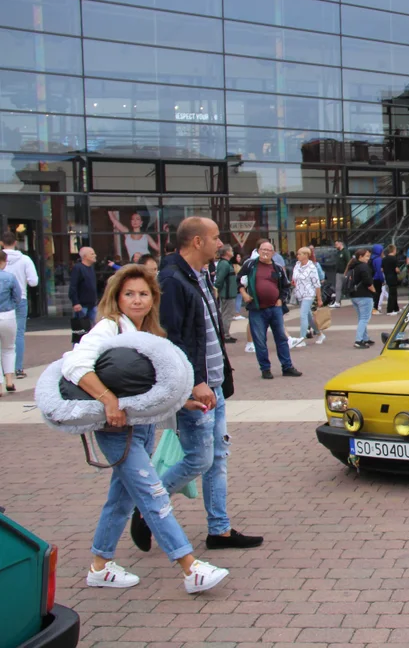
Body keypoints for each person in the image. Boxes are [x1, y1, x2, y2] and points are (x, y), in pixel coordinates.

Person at [64, 264, 229, 593]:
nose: (136, 300)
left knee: (120, 500)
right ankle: (189, 567)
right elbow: (74, 364)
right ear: (117, 297)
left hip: (139, 428)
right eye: (129, 294)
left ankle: (100, 566)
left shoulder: (150, 334)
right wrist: (108, 400)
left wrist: (183, 402)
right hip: (115, 429)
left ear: (153, 298)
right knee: (153, 494)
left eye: (143, 294)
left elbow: (150, 384)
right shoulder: (109, 328)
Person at [152, 218, 263, 553]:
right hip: (196, 388)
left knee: (217, 459)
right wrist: (194, 383)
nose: (221, 244)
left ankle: (220, 530)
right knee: (199, 460)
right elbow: (171, 339)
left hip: (212, 385)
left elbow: (207, 332)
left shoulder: (200, 276)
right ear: (197, 241)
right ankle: (145, 504)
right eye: (216, 238)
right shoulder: (172, 280)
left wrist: (215, 380)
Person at [237, 239, 302, 380]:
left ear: (273, 253)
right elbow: (238, 280)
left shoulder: (277, 267)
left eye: (268, 250)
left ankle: (287, 366)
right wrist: (244, 294)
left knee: (281, 338)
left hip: (275, 308)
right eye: (263, 249)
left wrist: (280, 300)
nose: (265, 252)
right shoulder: (250, 265)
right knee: (260, 340)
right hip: (257, 309)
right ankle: (265, 369)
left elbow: (285, 286)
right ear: (258, 251)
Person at [1, 231, 37, 379]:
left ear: (2, 243)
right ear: (15, 243)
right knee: (18, 334)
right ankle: (18, 368)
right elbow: (33, 281)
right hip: (20, 299)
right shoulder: (25, 259)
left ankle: (4, 371)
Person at [292, 247, 324, 347]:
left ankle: (302, 339)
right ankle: (320, 334)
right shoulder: (297, 265)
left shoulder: (312, 267)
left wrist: (319, 299)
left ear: (306, 255)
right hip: (300, 294)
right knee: (309, 317)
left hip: (309, 294)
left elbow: (317, 284)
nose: (298, 256)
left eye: (300, 254)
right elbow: (295, 278)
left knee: (303, 315)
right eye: (297, 254)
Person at [0, 251, 21, 392]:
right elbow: (18, 297)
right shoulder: (9, 277)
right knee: (8, 348)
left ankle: (0, 386)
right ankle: (9, 380)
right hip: (7, 315)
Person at [347, 248, 376, 349]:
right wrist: (374, 291)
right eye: (367, 256)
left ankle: (365, 338)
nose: (368, 258)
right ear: (361, 257)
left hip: (354, 295)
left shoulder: (353, 267)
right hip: (364, 295)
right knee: (364, 318)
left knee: (361, 318)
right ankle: (359, 340)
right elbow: (368, 282)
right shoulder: (364, 266)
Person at [213, 247, 237, 342]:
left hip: (228, 293)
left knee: (226, 314)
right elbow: (220, 279)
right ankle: (225, 335)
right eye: (231, 250)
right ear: (227, 252)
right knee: (227, 314)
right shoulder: (224, 264)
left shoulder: (225, 263)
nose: (232, 252)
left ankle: (225, 334)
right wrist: (216, 288)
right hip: (227, 294)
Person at [70, 246, 99, 323]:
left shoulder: (91, 268)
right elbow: (73, 286)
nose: (95, 255)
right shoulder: (78, 268)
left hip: (93, 304)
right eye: (92, 254)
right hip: (82, 306)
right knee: (82, 328)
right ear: (85, 256)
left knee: (96, 326)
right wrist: (75, 302)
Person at [382, 244, 401, 314]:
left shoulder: (384, 259)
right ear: (394, 250)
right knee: (392, 294)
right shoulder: (394, 259)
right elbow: (396, 270)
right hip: (393, 277)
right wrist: (399, 271)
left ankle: (396, 308)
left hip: (387, 277)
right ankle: (389, 310)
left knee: (393, 293)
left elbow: (382, 269)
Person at [332, 240, 349, 308]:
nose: (336, 246)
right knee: (338, 288)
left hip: (345, 273)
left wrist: (347, 272)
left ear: (341, 243)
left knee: (348, 287)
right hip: (339, 273)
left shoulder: (345, 252)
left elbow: (348, 262)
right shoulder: (338, 252)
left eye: (337, 244)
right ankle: (337, 302)